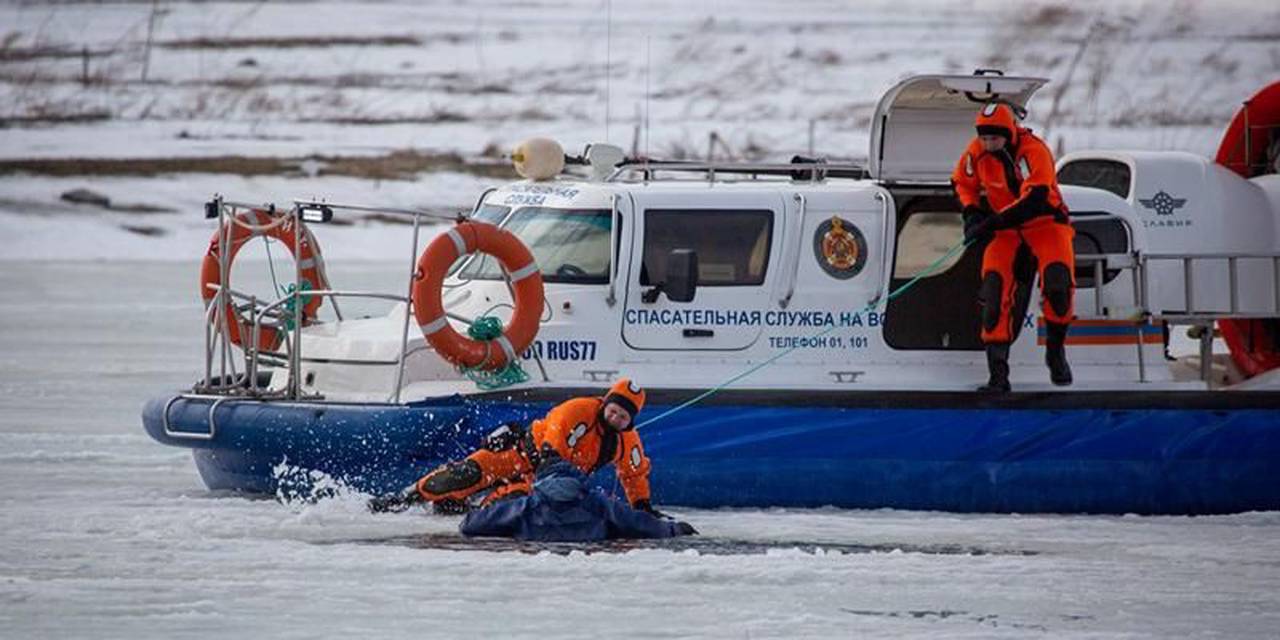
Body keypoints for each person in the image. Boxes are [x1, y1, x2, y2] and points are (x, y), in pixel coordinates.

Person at [369, 378, 663, 516]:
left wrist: (641, 505)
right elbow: (556, 433)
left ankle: (467, 510)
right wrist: (551, 460)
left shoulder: (628, 442)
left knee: (505, 505)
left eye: (623, 417)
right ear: (606, 402)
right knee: (464, 474)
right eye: (614, 410)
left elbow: (634, 473)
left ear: (630, 421)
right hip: (520, 455)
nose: (616, 418)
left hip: (543, 481)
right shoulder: (578, 410)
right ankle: (405, 497)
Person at [952, 102, 1075, 392]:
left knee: (1058, 285)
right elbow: (963, 183)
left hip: (1046, 224)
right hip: (1005, 232)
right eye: (983, 137)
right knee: (993, 295)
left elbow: (1036, 197)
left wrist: (993, 221)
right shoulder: (976, 152)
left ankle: (1055, 352)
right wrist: (972, 215)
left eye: (994, 138)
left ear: (1009, 133)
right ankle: (998, 377)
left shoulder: (1034, 151)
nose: (988, 143)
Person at [459, 459, 696, 542]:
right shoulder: (596, 502)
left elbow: (470, 526)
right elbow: (636, 523)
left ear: (540, 479)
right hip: (589, 561)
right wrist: (675, 528)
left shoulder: (526, 504)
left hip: (538, 564)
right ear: (574, 477)